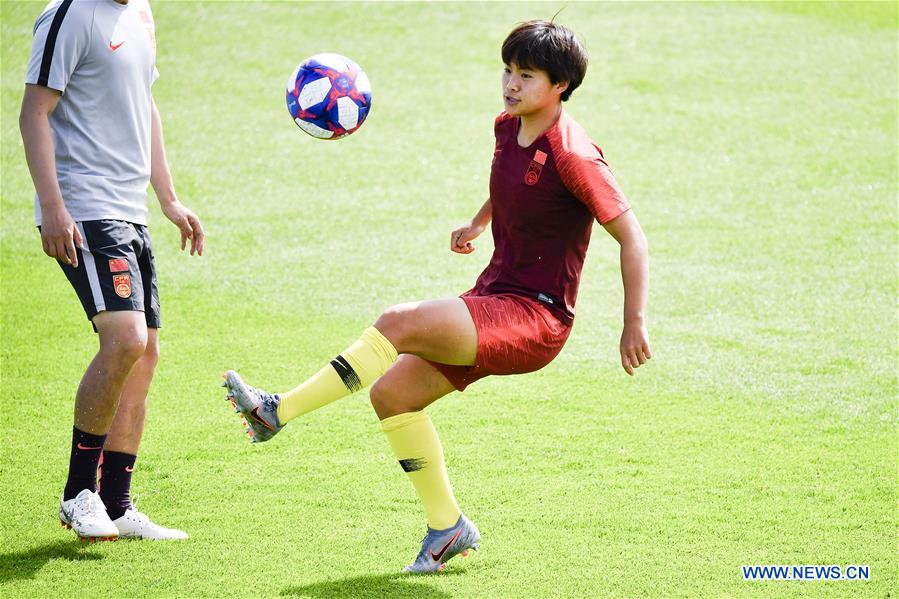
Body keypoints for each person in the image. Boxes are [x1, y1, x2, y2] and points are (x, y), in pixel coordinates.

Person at [223, 19, 650, 573]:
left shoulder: (574, 153)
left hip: (535, 319)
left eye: (526, 75)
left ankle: (275, 413)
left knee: (396, 322)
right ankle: (447, 528)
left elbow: (631, 235)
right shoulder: (508, 127)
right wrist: (478, 223)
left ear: (561, 85)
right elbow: (516, 184)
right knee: (393, 396)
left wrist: (632, 321)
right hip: (494, 294)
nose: (510, 84)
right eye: (508, 70)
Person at [20, 0, 204, 542]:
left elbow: (144, 104)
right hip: (85, 205)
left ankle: (117, 503)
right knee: (123, 339)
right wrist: (53, 206)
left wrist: (167, 199)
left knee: (144, 351)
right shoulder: (70, 14)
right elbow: (34, 111)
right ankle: (79, 494)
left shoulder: (140, 13)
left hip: (131, 210)